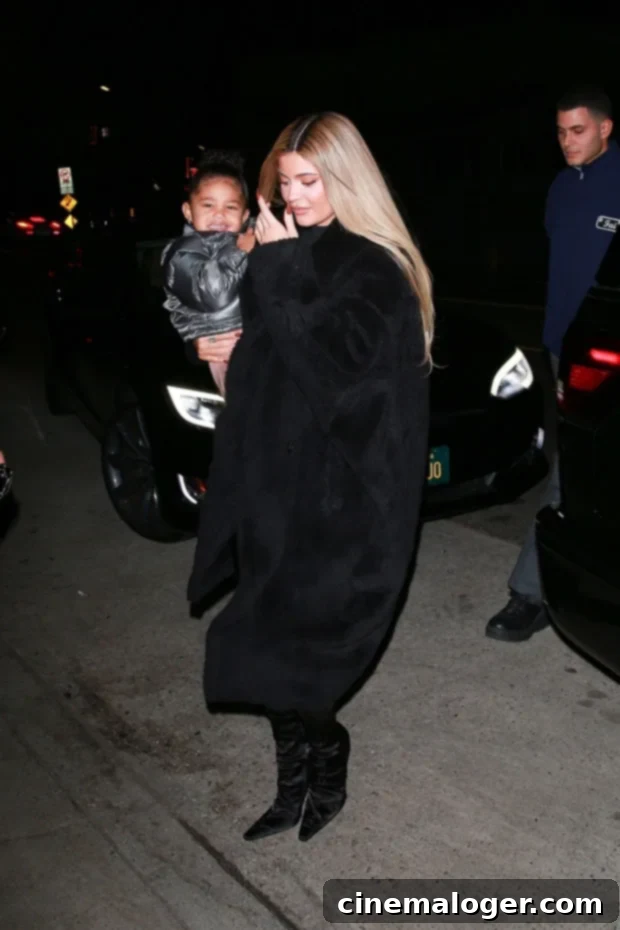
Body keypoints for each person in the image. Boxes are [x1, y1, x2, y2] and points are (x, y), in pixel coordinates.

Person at [188, 113, 434, 842]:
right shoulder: (282, 251)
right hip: (274, 492)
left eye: (309, 181)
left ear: (346, 178)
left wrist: (279, 268)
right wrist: (225, 359)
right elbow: (270, 379)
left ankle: (327, 761)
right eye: (285, 182)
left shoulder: (374, 267)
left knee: (307, 663)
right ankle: (289, 784)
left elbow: (338, 387)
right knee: (263, 651)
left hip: (338, 507)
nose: (294, 198)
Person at [486, 86, 620, 642]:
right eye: (561, 132)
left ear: (605, 128)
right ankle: (536, 592)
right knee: (578, 475)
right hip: (568, 352)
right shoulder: (563, 189)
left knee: (584, 478)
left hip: (609, 351)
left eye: (578, 131)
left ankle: (541, 591)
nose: (566, 142)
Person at [161, 151, 255, 396]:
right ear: (188, 211)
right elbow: (214, 294)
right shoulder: (183, 251)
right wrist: (240, 253)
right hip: (222, 349)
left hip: (257, 344)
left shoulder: (250, 240)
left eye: (231, 207)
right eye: (208, 205)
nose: (219, 215)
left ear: (245, 216)